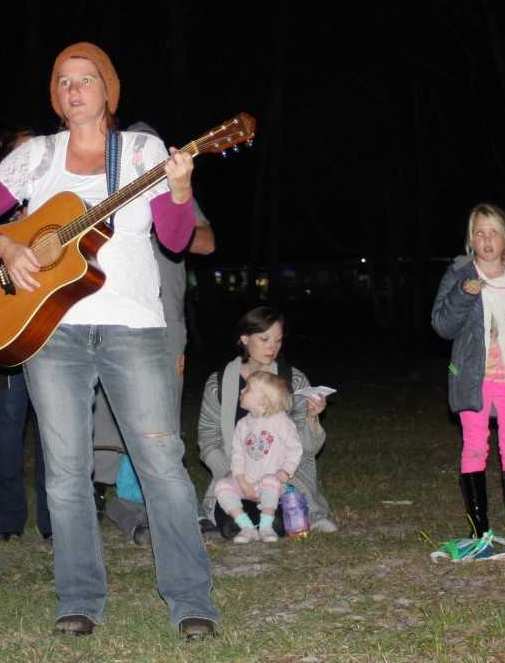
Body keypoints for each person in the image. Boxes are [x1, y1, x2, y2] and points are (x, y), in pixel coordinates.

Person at [0, 41, 218, 640]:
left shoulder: (144, 151)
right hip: (54, 331)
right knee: (65, 471)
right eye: (64, 81)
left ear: (108, 91)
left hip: (135, 329)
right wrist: (9, 246)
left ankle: (190, 599)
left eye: (86, 79)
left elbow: (174, 240)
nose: (74, 90)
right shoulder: (36, 157)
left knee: (161, 464)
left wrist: (177, 191)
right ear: (56, 95)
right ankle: (80, 597)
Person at [95, 120, 214, 547]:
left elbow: (206, 241)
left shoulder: (172, 191)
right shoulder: (107, 189)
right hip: (116, 316)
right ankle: (122, 499)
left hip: (166, 321)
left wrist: (170, 224)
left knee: (162, 415)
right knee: (114, 415)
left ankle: (166, 506)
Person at [430, 204, 505, 545]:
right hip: (472, 378)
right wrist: (461, 296)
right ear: (471, 239)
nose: (486, 240)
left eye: (493, 232)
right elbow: (442, 325)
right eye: (479, 233)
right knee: (474, 447)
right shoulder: (458, 275)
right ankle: (479, 526)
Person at [0, 126, 50, 543]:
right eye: (20, 156)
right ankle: (10, 522)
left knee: (55, 429)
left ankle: (54, 523)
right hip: (6, 332)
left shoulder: (57, 203)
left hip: (49, 329)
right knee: (7, 425)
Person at [197, 306, 339, 536]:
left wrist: (313, 416)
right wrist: (234, 476)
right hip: (236, 476)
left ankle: (301, 515)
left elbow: (308, 448)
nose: (272, 347)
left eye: (278, 340)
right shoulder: (219, 383)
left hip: (281, 480)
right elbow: (208, 441)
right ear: (244, 339)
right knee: (229, 526)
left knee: (281, 523)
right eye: (265, 339)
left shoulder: (293, 380)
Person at [213, 370, 302, 544]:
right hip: (248, 484)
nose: (242, 391)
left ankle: (266, 527)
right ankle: (247, 527)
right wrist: (241, 481)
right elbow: (237, 456)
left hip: (273, 485)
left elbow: (295, 449)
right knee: (222, 485)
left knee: (270, 480)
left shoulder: (280, 421)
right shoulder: (243, 425)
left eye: (248, 389)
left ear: (263, 400)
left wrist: (284, 473)